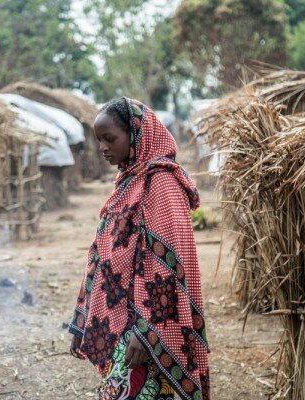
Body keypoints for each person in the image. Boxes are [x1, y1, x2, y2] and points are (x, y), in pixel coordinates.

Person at [68, 97, 210, 400]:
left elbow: (167, 268)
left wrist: (147, 333)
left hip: (148, 331)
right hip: (123, 325)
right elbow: (102, 254)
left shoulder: (161, 184)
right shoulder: (129, 182)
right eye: (99, 140)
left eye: (110, 139)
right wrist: (83, 319)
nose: (103, 148)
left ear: (136, 134)